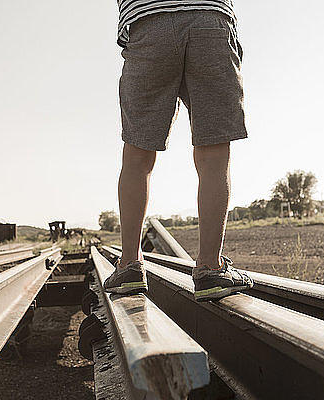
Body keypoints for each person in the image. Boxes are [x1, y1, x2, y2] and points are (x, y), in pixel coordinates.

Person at [103, 1, 253, 301]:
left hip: (148, 22)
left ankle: (130, 265)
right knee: (213, 152)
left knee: (137, 154)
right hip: (210, 21)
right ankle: (210, 269)